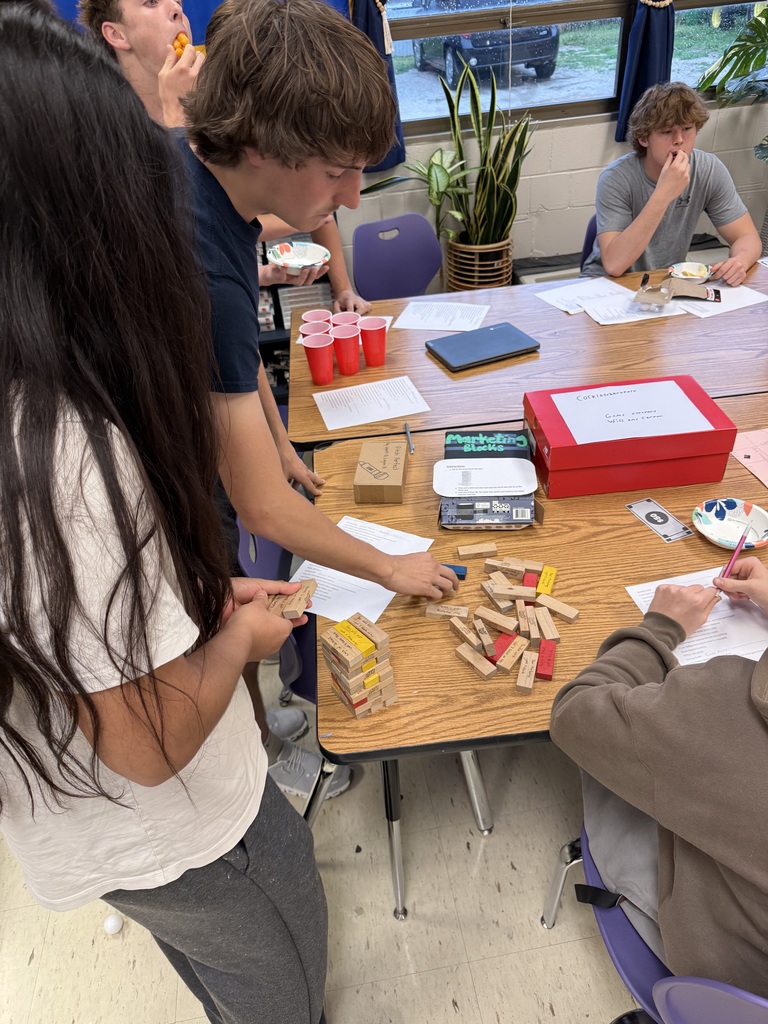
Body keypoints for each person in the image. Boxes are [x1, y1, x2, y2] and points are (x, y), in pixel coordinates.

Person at [0, 8, 327, 1023]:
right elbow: (143, 742)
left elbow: (82, 616)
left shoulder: (48, 403)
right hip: (167, 816)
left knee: (229, 963)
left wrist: (192, 599)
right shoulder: (66, 458)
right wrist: (238, 637)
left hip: (119, 807)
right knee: (281, 977)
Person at [550, 556, 768, 998]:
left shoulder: (721, 705)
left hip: (726, 978)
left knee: (609, 750)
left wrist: (659, 629)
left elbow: (574, 712)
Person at [77, 0, 372, 312]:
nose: (177, 11)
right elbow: (167, 245)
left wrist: (267, 276)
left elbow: (226, 226)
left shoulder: (214, 103)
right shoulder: (103, 134)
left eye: (176, 1)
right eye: (151, 2)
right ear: (115, 34)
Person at [582, 81, 761, 284]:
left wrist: (739, 261)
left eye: (687, 129)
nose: (679, 140)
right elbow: (614, 265)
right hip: (605, 284)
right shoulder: (615, 178)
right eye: (667, 132)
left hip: (662, 282)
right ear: (643, 138)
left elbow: (747, 237)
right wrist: (664, 193)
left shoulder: (708, 169)